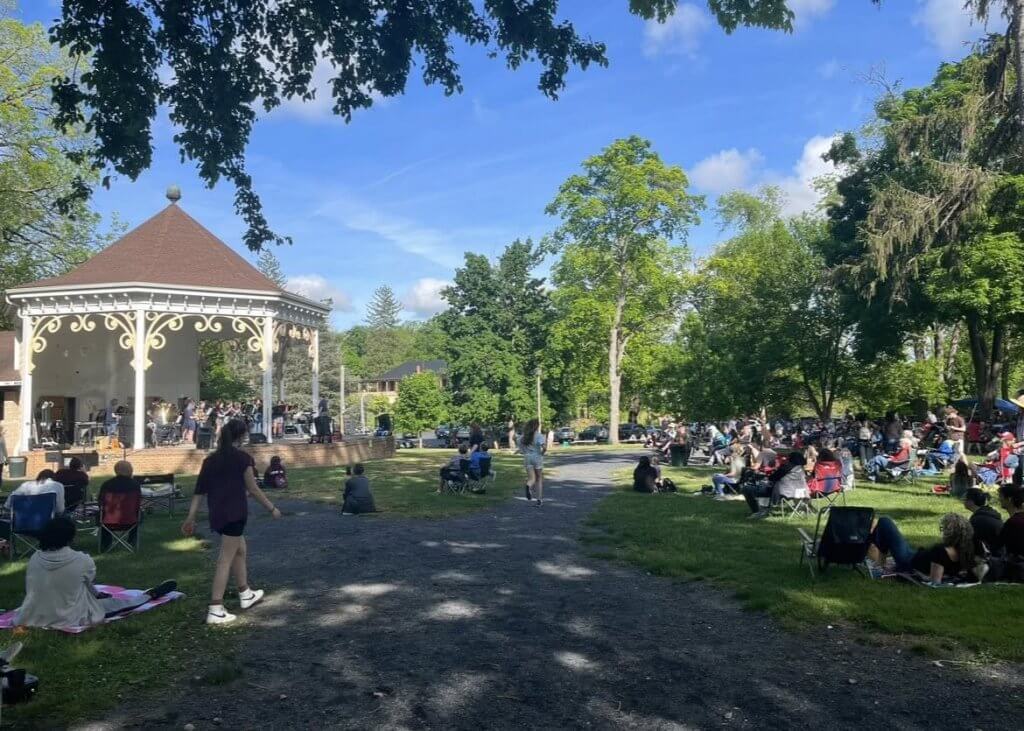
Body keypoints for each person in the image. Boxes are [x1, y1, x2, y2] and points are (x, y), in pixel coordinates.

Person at [182, 419, 281, 625]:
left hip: (218, 513)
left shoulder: (210, 461)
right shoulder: (242, 459)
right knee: (225, 558)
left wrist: (191, 517)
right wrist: (271, 508)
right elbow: (253, 489)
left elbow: (199, 492)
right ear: (242, 436)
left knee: (239, 549)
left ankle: (245, 593)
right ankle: (215, 607)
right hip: (235, 512)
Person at [14, 516, 176, 630]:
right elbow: (87, 580)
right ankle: (150, 595)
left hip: (32, 615)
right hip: (68, 616)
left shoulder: (35, 557)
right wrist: (97, 596)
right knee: (119, 604)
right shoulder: (82, 560)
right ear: (71, 538)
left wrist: (95, 594)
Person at [867, 513, 976, 583]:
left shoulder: (941, 551)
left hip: (908, 560)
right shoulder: (967, 550)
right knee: (881, 531)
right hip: (917, 556)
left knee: (885, 521)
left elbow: (935, 581)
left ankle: (879, 559)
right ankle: (878, 553)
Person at [96, 461, 143, 550]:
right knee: (140, 514)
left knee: (100, 515)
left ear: (116, 470)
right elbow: (138, 503)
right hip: (131, 521)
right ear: (130, 470)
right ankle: (132, 539)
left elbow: (100, 503)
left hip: (108, 522)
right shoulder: (135, 485)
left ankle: (106, 542)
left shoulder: (107, 484)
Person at [743, 451, 807, 518]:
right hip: (798, 493)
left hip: (783, 493)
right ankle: (762, 509)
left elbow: (772, 478)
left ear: (791, 459)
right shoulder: (801, 469)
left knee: (746, 489)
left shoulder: (786, 467)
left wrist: (763, 476)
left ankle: (757, 511)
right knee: (765, 486)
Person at [964, 488, 1003, 556]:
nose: (963, 501)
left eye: (965, 499)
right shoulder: (989, 512)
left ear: (971, 502)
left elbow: (971, 543)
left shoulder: (977, 520)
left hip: (995, 557)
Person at [519, 418, 546, 506]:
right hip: (537, 457)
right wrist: (542, 453)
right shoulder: (539, 435)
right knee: (539, 478)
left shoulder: (523, 437)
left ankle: (528, 485)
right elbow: (544, 447)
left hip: (527, 457)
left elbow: (521, 449)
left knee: (531, 478)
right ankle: (539, 500)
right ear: (537, 426)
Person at [998, 483, 1024, 558]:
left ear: (1009, 499)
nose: (999, 499)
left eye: (1000, 496)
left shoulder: (1013, 523)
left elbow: (999, 544)